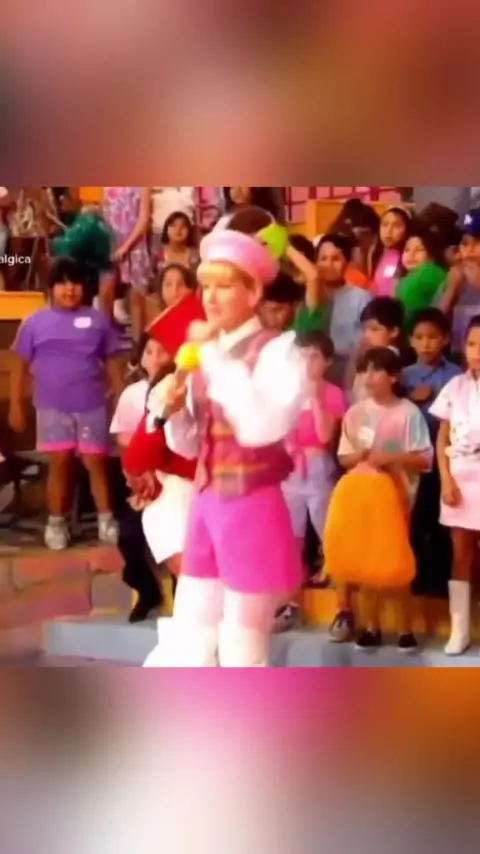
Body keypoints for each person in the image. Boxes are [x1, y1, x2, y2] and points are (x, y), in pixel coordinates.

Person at [144, 225, 307, 667]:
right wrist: (175, 410)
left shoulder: (279, 351)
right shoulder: (203, 354)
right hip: (205, 502)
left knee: (242, 644)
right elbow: (191, 444)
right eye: (206, 286)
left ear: (253, 292)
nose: (210, 298)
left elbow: (260, 427)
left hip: (251, 505)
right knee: (191, 633)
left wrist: (213, 358)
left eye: (224, 286)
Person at [9, 256, 124, 550]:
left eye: (75, 283)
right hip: (51, 408)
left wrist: (120, 400)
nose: (69, 289)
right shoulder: (34, 322)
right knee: (59, 465)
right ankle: (56, 523)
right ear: (50, 288)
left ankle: (106, 519)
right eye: (62, 283)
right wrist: (16, 405)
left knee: (97, 464)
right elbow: (19, 367)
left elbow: (113, 364)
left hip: (92, 406)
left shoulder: (98, 320)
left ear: (85, 287)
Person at [329, 347, 432, 649]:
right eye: (365, 370)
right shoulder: (355, 413)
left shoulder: (408, 413)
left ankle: (405, 628)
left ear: (394, 376)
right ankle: (371, 625)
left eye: (376, 370)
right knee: (366, 562)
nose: (368, 377)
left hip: (397, 497)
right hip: (362, 496)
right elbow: (344, 457)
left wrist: (391, 457)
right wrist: (360, 455)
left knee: (396, 560)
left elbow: (425, 459)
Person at [119, 293, 206, 623]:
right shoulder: (168, 386)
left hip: (220, 495)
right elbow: (138, 454)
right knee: (192, 579)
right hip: (174, 495)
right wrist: (142, 472)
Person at [110, 333, 171, 622]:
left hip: (175, 479)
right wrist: (135, 477)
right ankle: (148, 591)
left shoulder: (182, 389)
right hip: (143, 480)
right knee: (128, 537)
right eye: (150, 351)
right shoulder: (132, 394)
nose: (156, 358)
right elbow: (124, 443)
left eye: (163, 351)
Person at [429, 315, 480, 655]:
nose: (478, 351)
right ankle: (459, 630)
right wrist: (446, 479)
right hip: (460, 478)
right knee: (461, 555)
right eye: (473, 344)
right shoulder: (455, 386)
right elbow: (442, 437)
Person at [404, 308, 462, 597]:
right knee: (416, 518)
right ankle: (414, 577)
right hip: (412, 460)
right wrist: (410, 398)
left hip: (445, 459)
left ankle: (440, 581)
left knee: (443, 520)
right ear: (410, 341)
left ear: (446, 339)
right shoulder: (403, 375)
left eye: (432, 337)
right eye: (419, 337)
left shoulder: (456, 376)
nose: (425, 343)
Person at [282, 330, 347, 580]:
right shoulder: (287, 392)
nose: (307, 363)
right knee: (292, 528)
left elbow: (325, 435)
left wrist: (315, 398)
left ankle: (332, 573)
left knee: (324, 522)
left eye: (314, 357)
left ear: (327, 362)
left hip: (318, 465)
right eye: (301, 357)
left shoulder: (333, 393)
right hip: (289, 466)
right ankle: (295, 575)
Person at [314, 234, 371, 387]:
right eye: (323, 259)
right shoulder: (308, 298)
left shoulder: (361, 298)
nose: (329, 265)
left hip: (347, 369)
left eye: (336, 259)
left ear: (347, 263)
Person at [101, 187, 151, 342]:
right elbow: (104, 215)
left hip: (136, 244)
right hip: (110, 243)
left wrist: (126, 246)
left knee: (137, 297)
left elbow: (144, 219)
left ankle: (137, 345)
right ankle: (104, 339)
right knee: (106, 290)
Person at [439, 209, 480, 358]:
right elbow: (434, 324)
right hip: (459, 358)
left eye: (477, 242)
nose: (470, 250)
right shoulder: (455, 275)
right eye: (465, 244)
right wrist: (451, 290)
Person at [349, 297, 405, 402]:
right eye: (364, 329)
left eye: (374, 329)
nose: (367, 335)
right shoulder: (367, 355)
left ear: (394, 331)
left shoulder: (391, 360)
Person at [396, 227, 447, 325]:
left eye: (419, 250)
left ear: (432, 255)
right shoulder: (409, 276)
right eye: (407, 250)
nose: (411, 255)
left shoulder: (431, 271)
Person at [371, 206, 412, 298]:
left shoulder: (409, 258)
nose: (388, 231)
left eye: (396, 226)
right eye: (385, 224)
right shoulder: (374, 254)